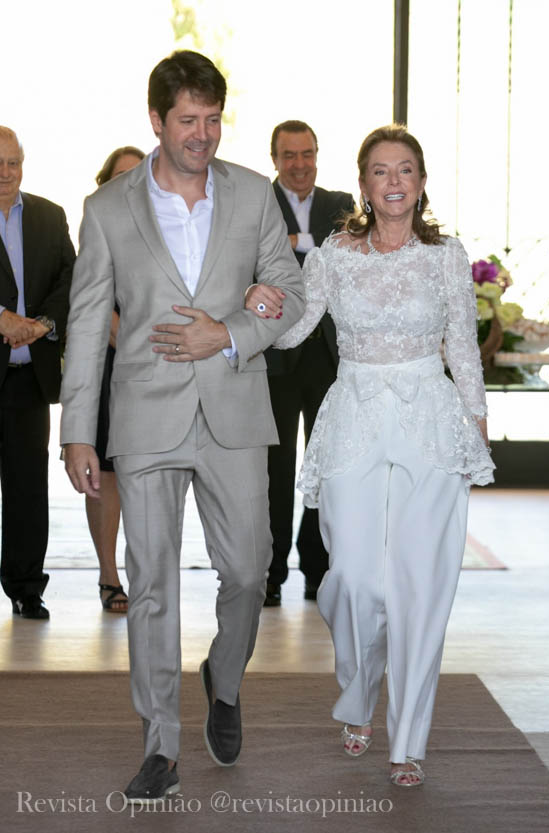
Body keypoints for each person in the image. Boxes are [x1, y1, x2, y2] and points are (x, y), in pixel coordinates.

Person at [60, 51, 304, 803]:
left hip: (235, 409)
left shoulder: (256, 195)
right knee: (152, 584)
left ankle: (223, 679)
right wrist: (76, 430)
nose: (203, 134)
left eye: (213, 119)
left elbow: (290, 293)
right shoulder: (107, 209)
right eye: (188, 120)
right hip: (145, 416)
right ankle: (160, 746)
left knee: (249, 570)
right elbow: (87, 320)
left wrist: (227, 333)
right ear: (157, 121)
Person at [247, 125, 495, 786]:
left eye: (405, 169)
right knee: (355, 579)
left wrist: (476, 421)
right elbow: (296, 329)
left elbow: (462, 346)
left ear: (421, 181)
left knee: (420, 585)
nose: (393, 181)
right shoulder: (335, 253)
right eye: (380, 170)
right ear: (362, 183)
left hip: (429, 423)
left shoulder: (446, 256)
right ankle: (358, 691)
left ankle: (407, 740)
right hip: (354, 417)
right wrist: (260, 306)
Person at [263, 120, 354, 606]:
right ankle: (270, 571)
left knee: (325, 468)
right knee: (273, 471)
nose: (299, 165)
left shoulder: (340, 204)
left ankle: (317, 568)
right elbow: (255, 258)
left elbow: (345, 257)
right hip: (274, 357)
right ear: (274, 159)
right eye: (289, 155)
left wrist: (296, 241)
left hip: (327, 357)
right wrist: (311, 242)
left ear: (317, 155)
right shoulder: (259, 202)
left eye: (307, 154)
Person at [0, 126, 75, 620]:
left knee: (28, 488)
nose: (5, 173)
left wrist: (42, 324)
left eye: (13, 163)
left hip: (29, 379)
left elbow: (72, 278)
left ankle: (26, 587)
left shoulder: (50, 216)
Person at [89, 146, 145, 613]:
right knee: (107, 475)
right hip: (110, 365)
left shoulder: (167, 228)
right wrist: (141, 343)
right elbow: (92, 303)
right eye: (120, 176)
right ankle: (109, 575)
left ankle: (148, 573)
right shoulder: (97, 228)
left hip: (159, 366)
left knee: (146, 473)